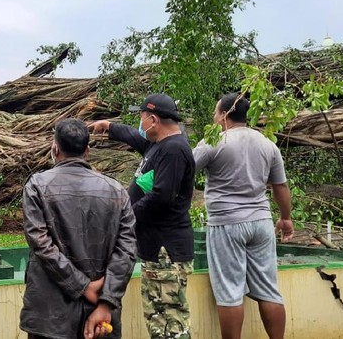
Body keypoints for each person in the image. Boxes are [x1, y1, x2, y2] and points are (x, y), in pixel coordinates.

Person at [89, 93, 195, 339]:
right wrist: (109, 127)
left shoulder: (174, 150)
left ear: (154, 120)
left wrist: (124, 214)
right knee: (160, 317)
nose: (140, 123)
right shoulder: (159, 144)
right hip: (156, 250)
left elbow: (161, 197)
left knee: (169, 323)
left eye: (142, 118)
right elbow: (134, 137)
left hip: (166, 252)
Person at [20, 118, 137, 339]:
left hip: (50, 318)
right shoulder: (117, 191)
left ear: (55, 148)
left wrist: (83, 287)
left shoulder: (36, 186)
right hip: (100, 318)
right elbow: (127, 251)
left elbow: (41, 245)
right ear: (88, 150)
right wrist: (106, 302)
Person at [193, 93, 294, 339]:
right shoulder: (267, 144)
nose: (214, 118)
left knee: (229, 292)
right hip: (261, 222)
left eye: (216, 113)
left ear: (224, 115)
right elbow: (280, 186)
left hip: (227, 224)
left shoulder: (213, 141)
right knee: (269, 290)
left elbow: (186, 167)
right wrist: (286, 218)